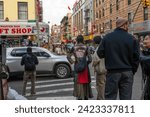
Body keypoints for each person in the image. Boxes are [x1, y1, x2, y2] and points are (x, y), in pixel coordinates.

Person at [97, 17, 140, 100]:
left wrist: (109, 55)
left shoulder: (107, 37)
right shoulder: (132, 38)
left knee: (110, 98)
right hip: (127, 71)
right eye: (127, 25)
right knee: (126, 98)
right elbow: (136, 57)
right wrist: (132, 70)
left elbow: (100, 53)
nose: (128, 26)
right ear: (124, 25)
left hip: (112, 72)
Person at [67, 35, 93, 100]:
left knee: (78, 81)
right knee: (85, 82)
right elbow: (90, 59)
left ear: (77, 40)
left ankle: (79, 96)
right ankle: (85, 95)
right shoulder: (86, 47)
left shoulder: (74, 47)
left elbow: (68, 56)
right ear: (83, 40)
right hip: (85, 67)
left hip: (77, 67)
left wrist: (73, 62)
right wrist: (86, 63)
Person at [92, 36, 106, 100]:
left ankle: (101, 99)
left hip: (101, 70)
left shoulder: (99, 48)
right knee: (103, 85)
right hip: (105, 69)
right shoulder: (104, 47)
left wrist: (93, 64)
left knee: (100, 86)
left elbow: (95, 59)